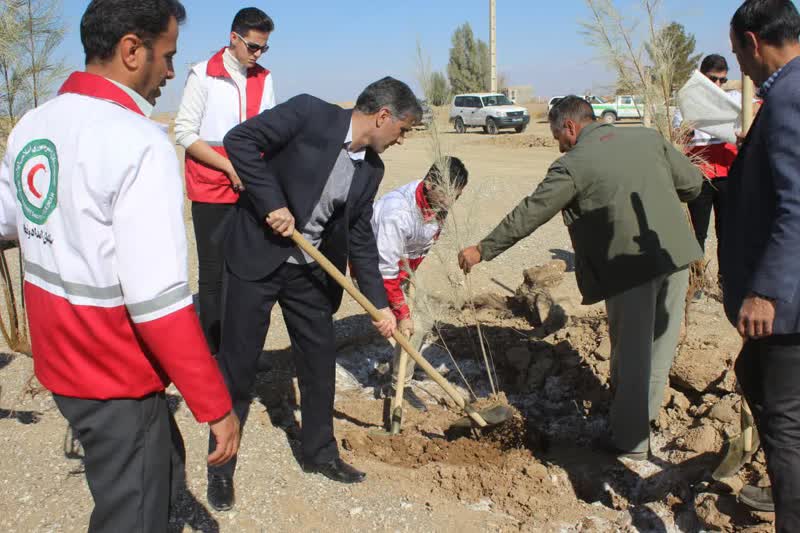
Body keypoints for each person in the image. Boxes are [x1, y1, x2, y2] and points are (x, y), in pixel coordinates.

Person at [0, 1, 240, 531]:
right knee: (130, 515)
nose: (172, 73)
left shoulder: (34, 125)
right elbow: (157, 302)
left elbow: (10, 220)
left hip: (59, 363)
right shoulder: (138, 143)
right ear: (133, 50)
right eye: (169, 55)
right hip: (112, 374)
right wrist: (214, 404)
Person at [206, 77, 421, 510]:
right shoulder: (309, 114)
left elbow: (360, 238)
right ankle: (221, 467)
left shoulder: (371, 170)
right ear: (383, 116)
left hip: (308, 270)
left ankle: (319, 452)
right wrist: (271, 203)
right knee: (239, 363)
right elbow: (240, 140)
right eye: (403, 129)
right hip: (257, 256)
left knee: (319, 357)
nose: (402, 139)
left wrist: (379, 303)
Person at [458, 96, 703, 460]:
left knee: (633, 355)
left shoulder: (573, 165)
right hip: (676, 259)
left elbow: (531, 212)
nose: (558, 143)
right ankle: (640, 420)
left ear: (570, 127)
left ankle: (630, 443)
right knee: (659, 348)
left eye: (558, 134)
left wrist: (483, 249)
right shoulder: (648, 139)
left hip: (628, 268)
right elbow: (694, 184)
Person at [722, 1, 800, 530]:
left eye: (737, 54)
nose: (740, 68)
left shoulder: (789, 99)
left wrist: (767, 291)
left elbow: (797, 203)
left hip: (788, 302)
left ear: (753, 42)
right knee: (753, 373)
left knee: (785, 425)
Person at [174, 7, 275, 354]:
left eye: (263, 48)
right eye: (252, 46)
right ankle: (213, 353)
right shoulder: (202, 75)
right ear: (234, 38)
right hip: (210, 190)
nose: (257, 54)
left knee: (245, 273)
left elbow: (270, 135)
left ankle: (240, 351)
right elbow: (185, 133)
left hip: (249, 192)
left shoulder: (265, 78)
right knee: (213, 275)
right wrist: (230, 168)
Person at [371, 156, 469, 412]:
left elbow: (421, 247)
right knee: (409, 326)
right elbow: (385, 271)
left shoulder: (438, 205)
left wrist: (410, 279)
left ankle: (400, 376)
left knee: (423, 318)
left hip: (404, 269)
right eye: (446, 194)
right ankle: (398, 385)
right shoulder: (397, 212)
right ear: (428, 184)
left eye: (455, 196)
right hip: (375, 271)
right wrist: (401, 312)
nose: (450, 202)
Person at [673, 54, 740, 296]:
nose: (719, 85)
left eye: (723, 80)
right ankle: (696, 282)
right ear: (702, 78)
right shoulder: (686, 103)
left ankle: (727, 282)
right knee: (697, 233)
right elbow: (678, 137)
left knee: (728, 232)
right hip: (699, 176)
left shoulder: (734, 100)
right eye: (713, 79)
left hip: (729, 176)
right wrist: (685, 131)